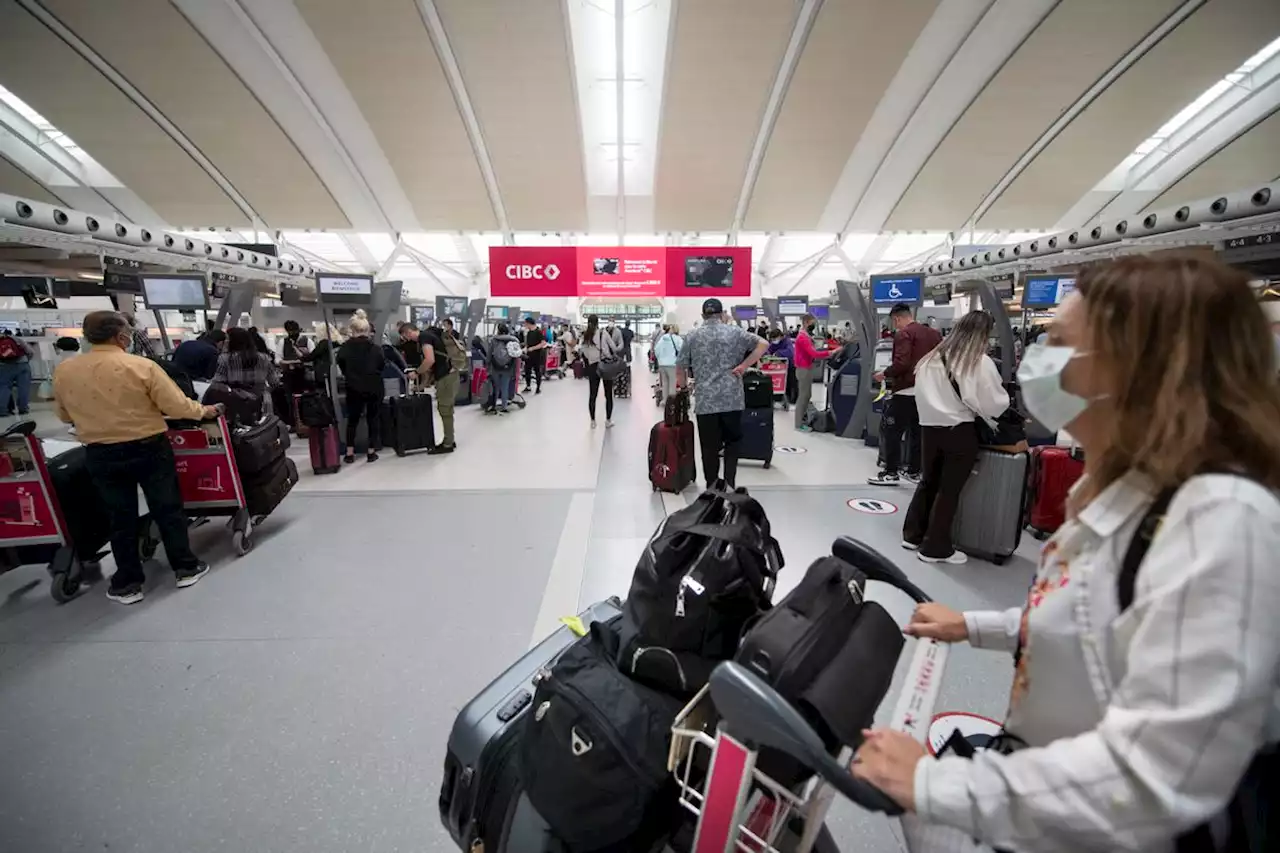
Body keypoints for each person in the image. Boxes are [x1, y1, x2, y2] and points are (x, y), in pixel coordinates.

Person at [853, 254, 1280, 853]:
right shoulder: (1123, 492)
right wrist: (976, 625)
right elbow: (1092, 618)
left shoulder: (1221, 523)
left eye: (1061, 345)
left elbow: (1155, 779)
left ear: (1146, 368)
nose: (1039, 365)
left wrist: (934, 784)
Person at [53, 311, 220, 605]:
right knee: (167, 507)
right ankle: (185, 567)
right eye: (128, 332)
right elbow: (176, 405)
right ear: (120, 337)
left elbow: (65, 414)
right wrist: (203, 411)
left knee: (119, 516)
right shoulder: (141, 366)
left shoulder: (66, 371)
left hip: (100, 452)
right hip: (148, 447)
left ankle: (128, 583)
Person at [897, 311, 1007, 564]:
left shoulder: (930, 360)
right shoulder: (977, 361)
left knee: (928, 482)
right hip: (959, 430)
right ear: (983, 335)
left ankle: (913, 535)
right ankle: (935, 548)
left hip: (929, 428)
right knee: (949, 490)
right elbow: (993, 403)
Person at [677, 298, 768, 489]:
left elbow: (681, 367)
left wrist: (684, 388)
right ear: (722, 314)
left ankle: (712, 488)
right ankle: (730, 482)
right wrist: (744, 365)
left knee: (709, 448)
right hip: (732, 400)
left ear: (703, 315)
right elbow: (763, 344)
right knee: (732, 443)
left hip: (706, 401)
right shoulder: (735, 332)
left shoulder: (693, 336)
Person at [868, 302, 943, 486]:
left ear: (897, 318)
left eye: (895, 322)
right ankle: (914, 471)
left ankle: (891, 472)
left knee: (892, 431)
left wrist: (883, 374)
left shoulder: (904, 334)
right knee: (917, 432)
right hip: (926, 391)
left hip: (905, 391)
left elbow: (902, 363)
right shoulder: (934, 334)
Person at [335, 311, 385, 465]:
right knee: (373, 419)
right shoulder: (376, 348)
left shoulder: (344, 348)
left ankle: (349, 453)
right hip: (374, 387)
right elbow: (381, 365)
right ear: (368, 330)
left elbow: (341, 366)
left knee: (352, 420)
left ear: (353, 330)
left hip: (353, 387)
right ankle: (371, 451)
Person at [419, 322, 458, 453]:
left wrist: (417, 372)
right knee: (448, 409)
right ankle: (450, 439)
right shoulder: (436, 336)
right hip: (452, 374)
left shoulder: (424, 337)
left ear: (407, 333)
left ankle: (448, 444)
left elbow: (430, 360)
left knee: (445, 409)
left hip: (445, 378)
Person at [213, 327, 279, 400]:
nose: (225, 341)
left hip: (235, 403)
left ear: (234, 342)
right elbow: (274, 382)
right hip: (261, 402)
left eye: (227, 339)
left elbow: (218, 384)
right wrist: (265, 392)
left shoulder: (225, 359)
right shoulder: (264, 358)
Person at [580, 315, 621, 428]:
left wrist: (591, 358)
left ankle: (593, 421)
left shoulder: (585, 335)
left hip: (592, 367)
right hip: (605, 365)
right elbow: (613, 347)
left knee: (593, 395)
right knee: (608, 394)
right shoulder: (603, 333)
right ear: (598, 323)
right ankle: (608, 420)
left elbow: (582, 350)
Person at [793, 313, 832, 430]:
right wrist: (830, 353)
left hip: (807, 368)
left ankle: (802, 421)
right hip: (803, 369)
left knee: (807, 395)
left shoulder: (806, 336)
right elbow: (814, 353)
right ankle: (799, 424)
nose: (813, 325)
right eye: (812, 323)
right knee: (803, 396)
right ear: (806, 322)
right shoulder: (803, 337)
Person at [0, 329, 35, 416]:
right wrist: (26, 360)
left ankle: (2, 410)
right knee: (24, 388)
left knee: (4, 387)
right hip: (22, 364)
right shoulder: (16, 339)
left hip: (4, 366)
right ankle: (23, 409)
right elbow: (30, 352)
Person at [487, 322, 520, 413]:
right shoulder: (513, 340)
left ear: (498, 330)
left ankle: (493, 406)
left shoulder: (493, 340)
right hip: (508, 367)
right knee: (504, 387)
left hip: (495, 367)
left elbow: (489, 354)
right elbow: (516, 355)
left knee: (495, 387)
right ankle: (504, 407)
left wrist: (487, 365)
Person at [652, 323, 684, 402]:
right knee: (672, 383)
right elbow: (682, 350)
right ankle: (671, 403)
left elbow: (656, 350)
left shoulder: (662, 338)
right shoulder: (677, 339)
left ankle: (665, 401)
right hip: (672, 364)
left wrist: (660, 359)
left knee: (665, 383)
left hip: (662, 365)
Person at [522, 317, 548, 394]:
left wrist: (533, 348)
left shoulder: (539, 331)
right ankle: (528, 386)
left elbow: (543, 343)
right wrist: (525, 348)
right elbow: (528, 344)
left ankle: (538, 387)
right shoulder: (529, 332)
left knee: (537, 371)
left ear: (529, 323)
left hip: (537, 355)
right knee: (527, 370)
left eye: (525, 323)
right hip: (529, 355)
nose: (525, 325)